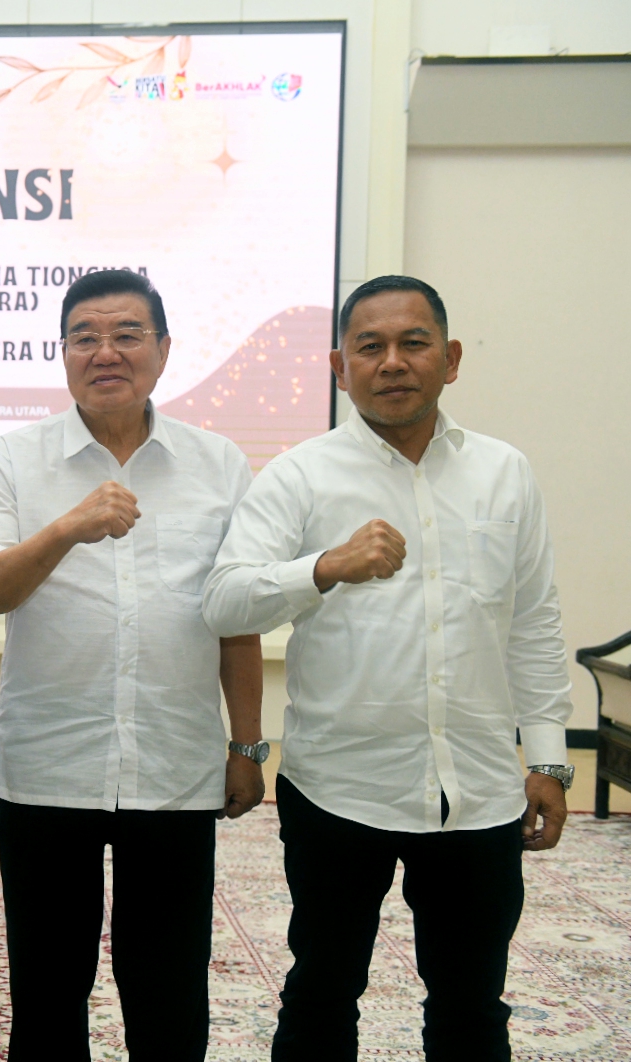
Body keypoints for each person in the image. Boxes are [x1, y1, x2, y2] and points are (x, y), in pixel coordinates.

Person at [202, 275, 574, 1061]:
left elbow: (533, 620)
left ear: (451, 358)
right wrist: (324, 567)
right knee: (321, 993)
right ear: (339, 367)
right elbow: (224, 601)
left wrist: (546, 757)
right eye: (369, 347)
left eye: (413, 343)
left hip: (476, 792)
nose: (392, 362)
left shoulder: (504, 471)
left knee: (472, 1006)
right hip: (339, 790)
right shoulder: (300, 474)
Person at [0, 269, 265, 1061]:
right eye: (84, 337)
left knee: (168, 991)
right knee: (48, 992)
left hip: (173, 766)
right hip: (48, 766)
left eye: (126, 334)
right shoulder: (12, 459)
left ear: (162, 349)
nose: (105, 352)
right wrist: (66, 528)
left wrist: (246, 744)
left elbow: (235, 618)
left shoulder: (218, 463)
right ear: (60, 353)